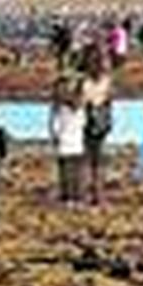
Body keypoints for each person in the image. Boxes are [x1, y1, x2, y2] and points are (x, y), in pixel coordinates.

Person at [81, 54, 115, 205]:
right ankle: (97, 192)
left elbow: (85, 101)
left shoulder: (86, 82)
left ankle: (93, 192)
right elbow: (108, 101)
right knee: (96, 159)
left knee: (91, 158)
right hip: (97, 122)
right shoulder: (104, 82)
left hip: (92, 121)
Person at [50, 76, 87, 206]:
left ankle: (67, 197)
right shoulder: (80, 110)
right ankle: (78, 197)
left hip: (64, 143)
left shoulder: (60, 109)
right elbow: (84, 123)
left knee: (66, 172)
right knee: (77, 171)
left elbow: (55, 127)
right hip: (78, 143)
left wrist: (55, 138)